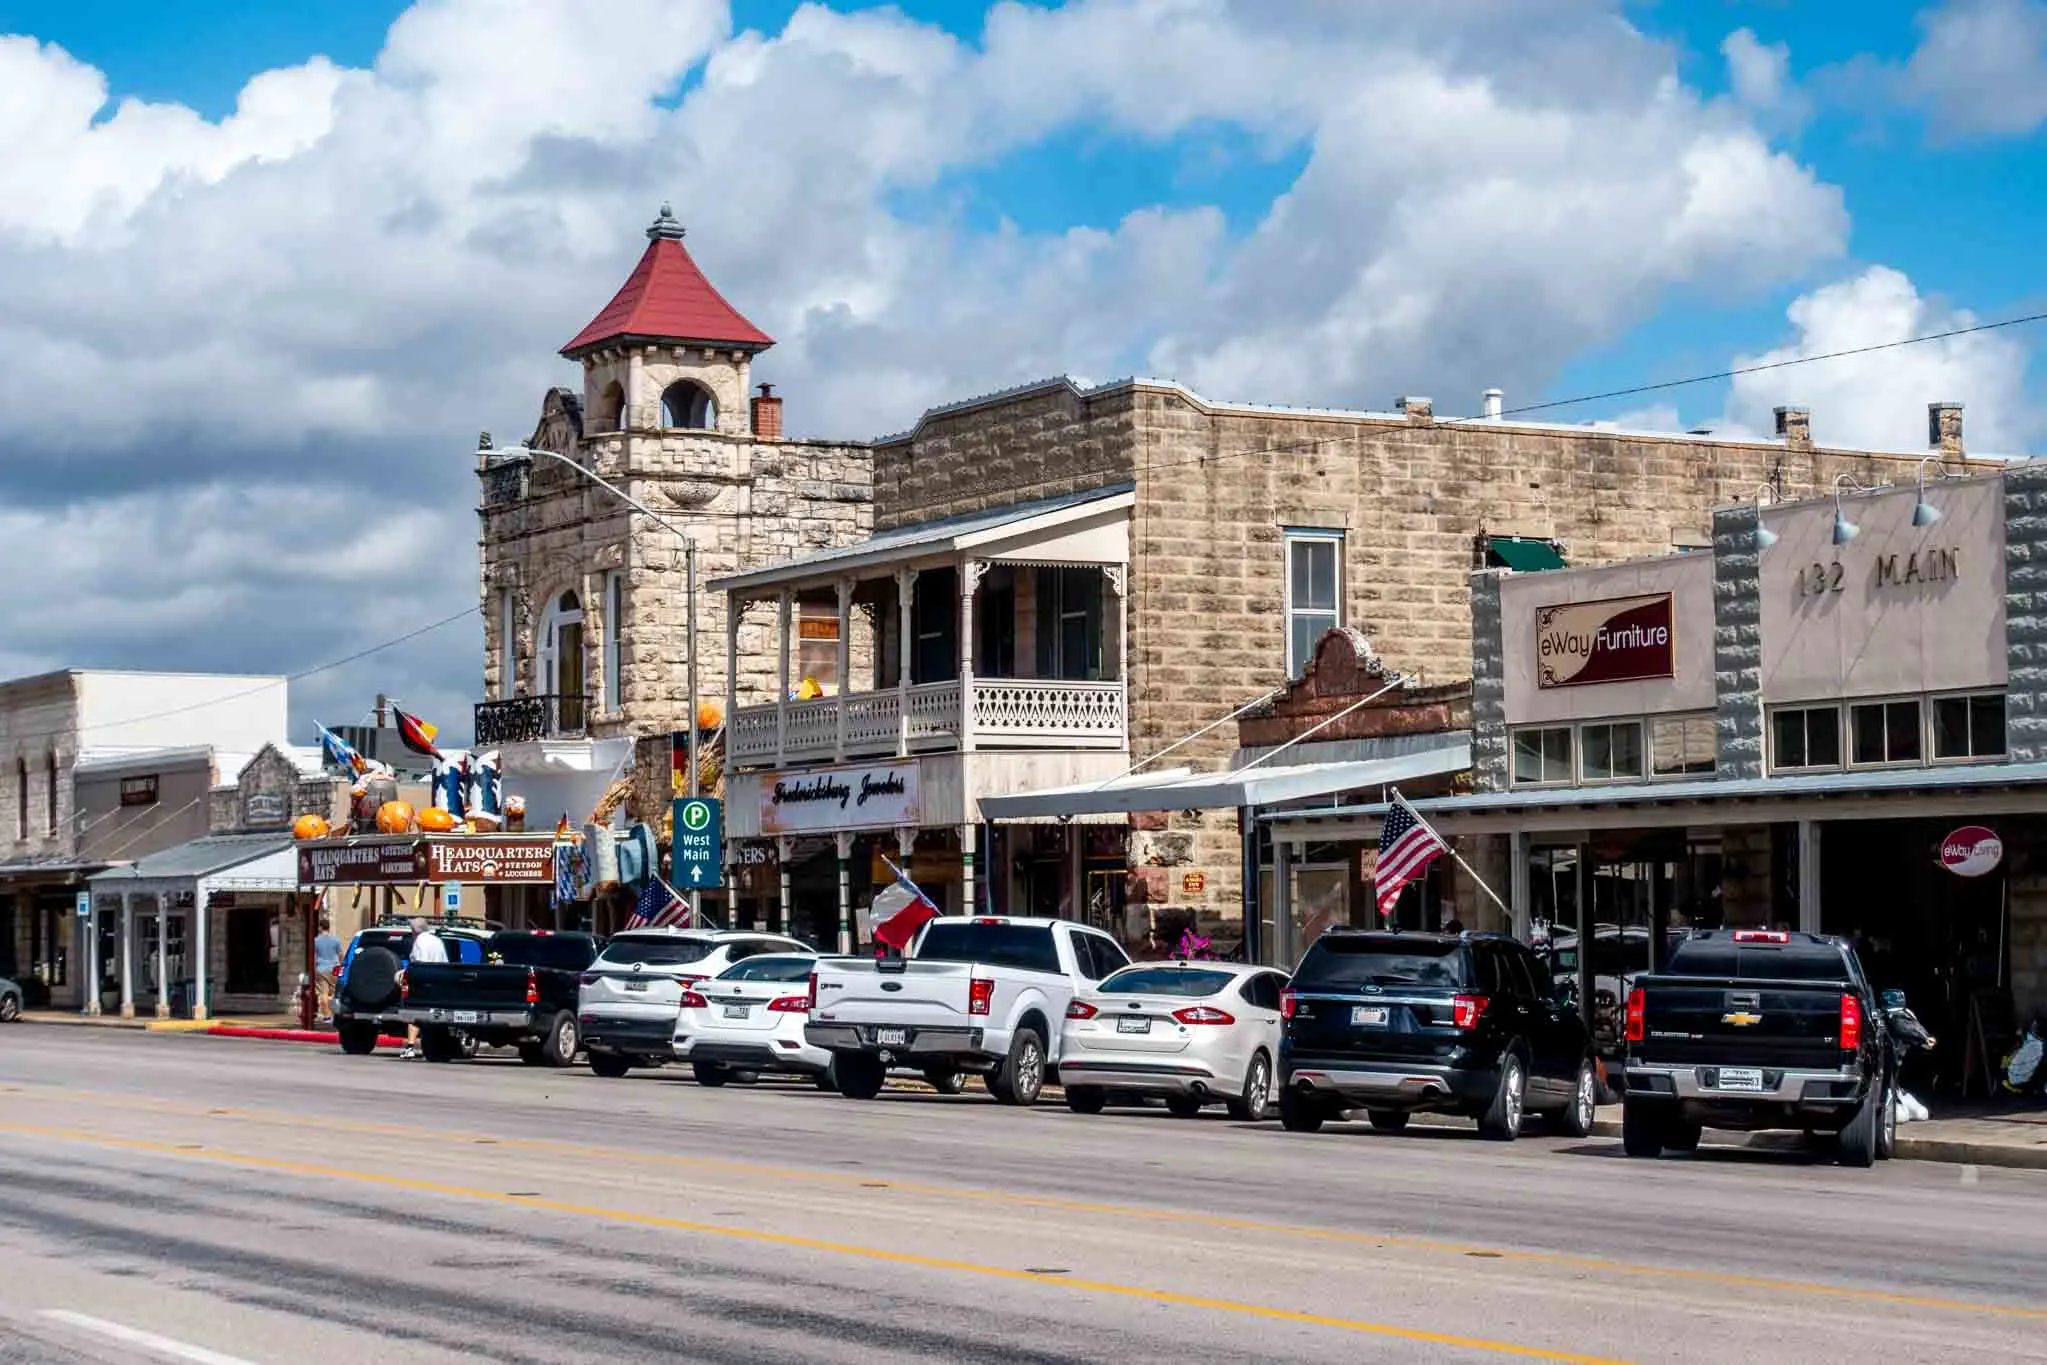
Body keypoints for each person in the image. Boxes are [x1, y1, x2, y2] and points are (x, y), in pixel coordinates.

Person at [399, 916, 447, 1060]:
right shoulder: (437, 940)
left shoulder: (420, 941)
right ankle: (436, 1046)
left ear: (415, 930)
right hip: (440, 981)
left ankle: (410, 1047)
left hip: (423, 982)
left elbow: (419, 963)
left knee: (414, 1014)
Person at [312, 917, 342, 1024]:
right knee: (335, 993)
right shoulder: (336, 940)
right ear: (328, 927)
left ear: (320, 927)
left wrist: (314, 968)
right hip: (334, 969)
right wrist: (341, 965)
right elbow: (340, 954)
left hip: (321, 969)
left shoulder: (316, 941)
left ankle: (327, 1016)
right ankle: (335, 1015)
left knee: (323, 993)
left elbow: (314, 957)